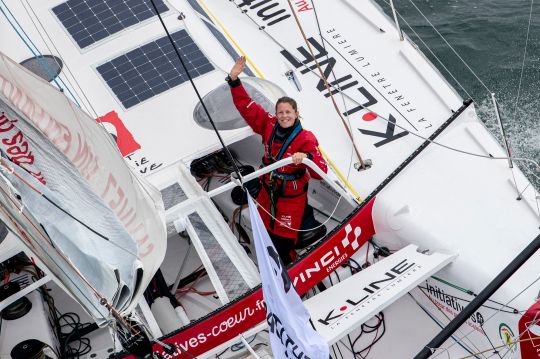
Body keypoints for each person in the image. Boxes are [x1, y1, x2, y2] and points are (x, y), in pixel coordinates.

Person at [227, 56, 328, 265]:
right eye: (280, 112)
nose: (284, 116)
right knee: (265, 229)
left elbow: (321, 171)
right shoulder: (268, 124)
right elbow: (247, 107)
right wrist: (234, 81)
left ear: (296, 114)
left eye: (288, 112)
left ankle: (290, 268)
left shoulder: (306, 138)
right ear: (276, 114)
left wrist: (307, 158)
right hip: (268, 190)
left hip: (291, 200)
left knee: (282, 241)